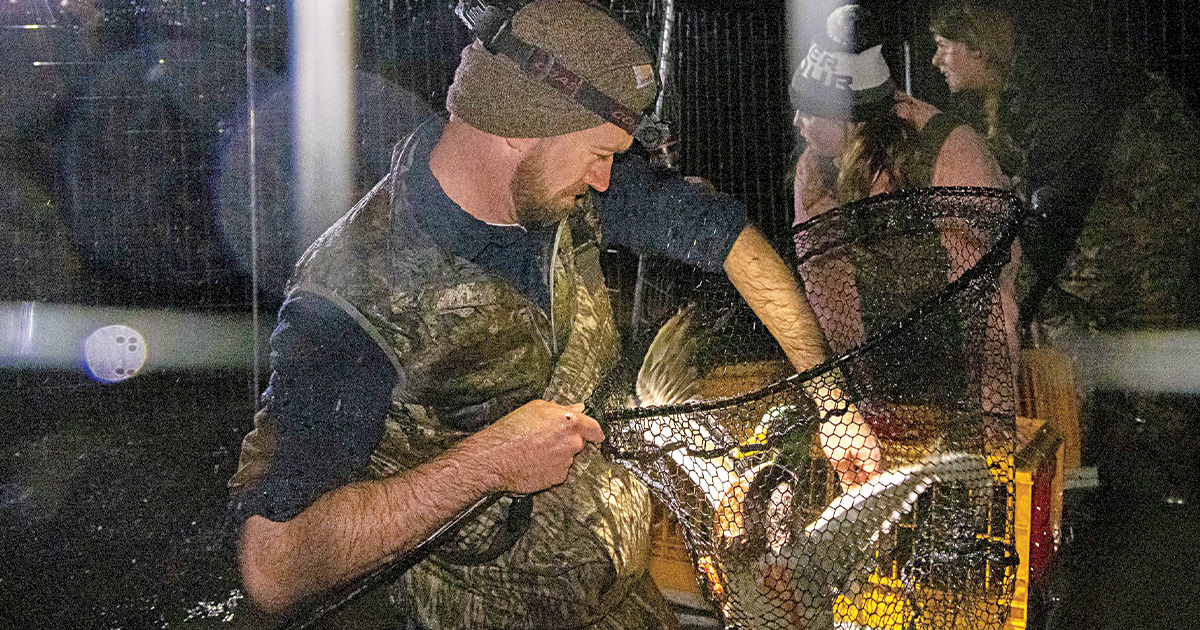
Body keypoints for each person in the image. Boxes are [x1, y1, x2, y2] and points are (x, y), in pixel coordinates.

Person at [226, 1, 880, 628]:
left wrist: (833, 401)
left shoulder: (556, 190)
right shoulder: (352, 294)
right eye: (598, 154)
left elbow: (731, 240)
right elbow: (273, 566)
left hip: (625, 602)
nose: (605, 180)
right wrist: (486, 463)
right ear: (518, 125)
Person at [931, 0, 1200, 504]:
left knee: (1137, 306)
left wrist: (1024, 293)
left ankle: (1168, 474)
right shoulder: (1017, 88)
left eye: (943, 47)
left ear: (976, 47)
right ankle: (1117, 459)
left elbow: (1059, 209)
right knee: (1083, 306)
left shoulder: (1045, 91)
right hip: (1108, 177)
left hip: (1146, 177)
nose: (935, 61)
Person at [789, 4, 1017, 383]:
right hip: (878, 375)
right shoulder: (815, 169)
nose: (797, 121)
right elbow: (828, 294)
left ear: (852, 115)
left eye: (809, 110)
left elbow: (992, 307)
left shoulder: (950, 153)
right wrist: (856, 396)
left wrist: (992, 418)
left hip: (958, 371)